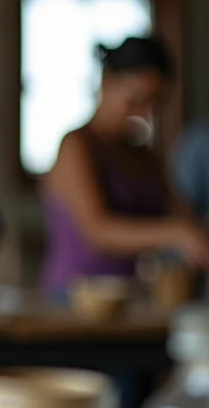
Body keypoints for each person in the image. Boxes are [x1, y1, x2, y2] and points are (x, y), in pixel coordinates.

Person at [41, 36, 209, 299]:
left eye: (155, 105)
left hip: (131, 299)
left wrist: (193, 233)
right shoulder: (77, 146)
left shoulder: (144, 156)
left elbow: (182, 213)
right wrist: (176, 233)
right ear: (108, 83)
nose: (145, 114)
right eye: (136, 100)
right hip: (76, 300)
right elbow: (97, 231)